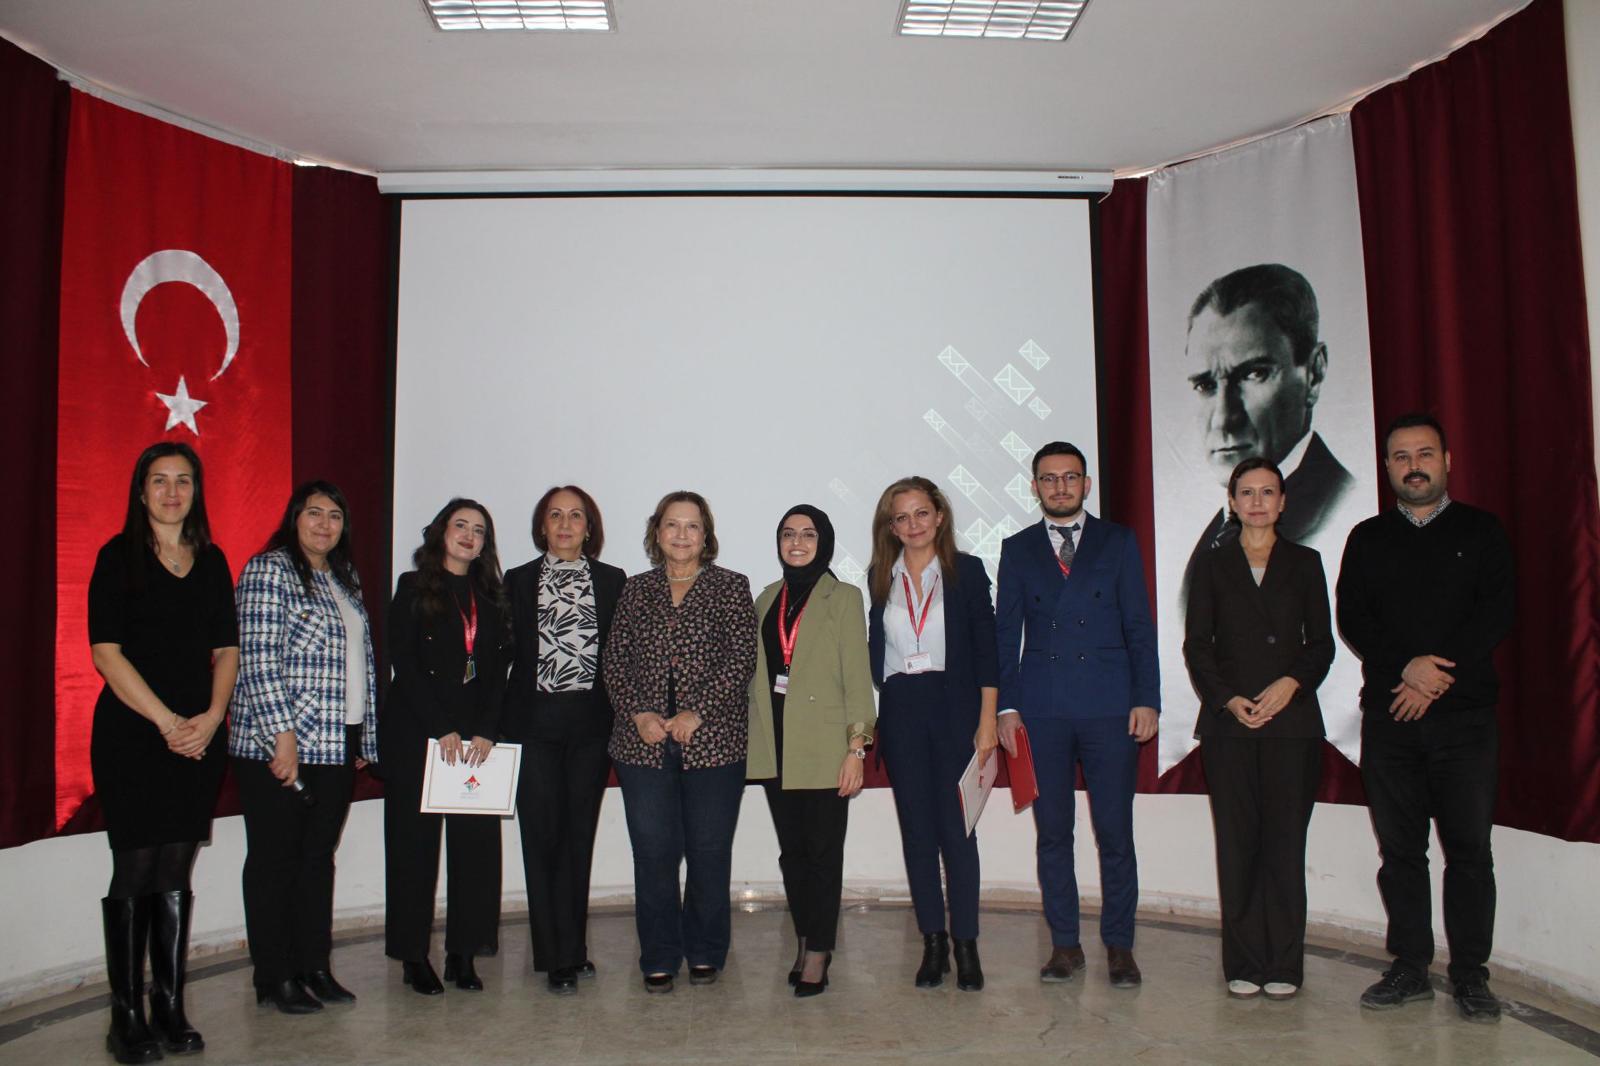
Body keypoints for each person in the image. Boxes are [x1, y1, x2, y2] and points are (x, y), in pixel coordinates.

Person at [1336, 413, 1513, 1023]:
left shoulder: (1483, 531)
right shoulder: (1367, 538)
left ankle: (1470, 975)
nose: (1414, 466)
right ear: (1387, 467)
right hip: (1391, 718)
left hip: (1466, 721)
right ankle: (1410, 966)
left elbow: (1495, 615)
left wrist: (1435, 677)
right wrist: (1407, 668)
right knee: (1401, 851)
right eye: (1401, 457)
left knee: (1470, 852)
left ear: (1447, 461)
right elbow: (1354, 619)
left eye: (1424, 454)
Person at [89, 442, 237, 1063]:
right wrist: (168, 722)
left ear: (196, 491)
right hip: (133, 735)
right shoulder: (116, 557)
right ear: (140, 490)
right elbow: (106, 652)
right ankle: (126, 1015)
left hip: (199, 735)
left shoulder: (212, 560)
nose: (172, 492)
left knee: (175, 868)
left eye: (183, 480)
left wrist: (211, 719)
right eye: (159, 480)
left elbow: (227, 651)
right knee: (135, 867)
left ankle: (169, 1006)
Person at [995, 442, 1159, 988]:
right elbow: (1006, 635)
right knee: (1052, 832)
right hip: (1042, 709)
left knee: (1115, 832)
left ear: (1087, 484)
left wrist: (1147, 698)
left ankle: (1120, 945)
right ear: (1034, 487)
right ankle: (1065, 943)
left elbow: (1139, 625)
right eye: (1049, 478)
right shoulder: (1017, 548)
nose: (1060, 487)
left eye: (1070, 477)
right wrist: (1007, 707)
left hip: (1110, 705)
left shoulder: (1118, 540)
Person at [1182, 457, 1334, 1000]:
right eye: (1246, 492)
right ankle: (1244, 961)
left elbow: (1322, 644)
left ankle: (1285, 964)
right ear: (1232, 501)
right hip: (1230, 725)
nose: (1257, 502)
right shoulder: (1212, 564)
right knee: (1238, 844)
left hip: (1292, 725)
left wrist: (1291, 684)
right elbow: (1197, 646)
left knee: (1285, 846)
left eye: (1268, 492)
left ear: (1283, 501)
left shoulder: (1306, 562)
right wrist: (1227, 699)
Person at [230, 481, 378, 1015]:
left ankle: (314, 965)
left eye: (334, 516)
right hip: (279, 746)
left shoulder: (343, 578)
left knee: (317, 860)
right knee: (275, 861)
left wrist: (364, 738)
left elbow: (360, 664)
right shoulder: (268, 571)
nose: (324, 524)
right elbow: (258, 660)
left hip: (336, 743)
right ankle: (274, 975)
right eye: (314, 513)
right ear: (294, 518)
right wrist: (282, 737)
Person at [602, 491, 756, 993]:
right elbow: (614, 660)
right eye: (672, 524)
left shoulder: (731, 586)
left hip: (714, 743)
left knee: (709, 851)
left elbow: (741, 660)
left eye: (692, 526)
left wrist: (697, 712)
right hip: (641, 744)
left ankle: (706, 950)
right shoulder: (635, 589)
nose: (682, 534)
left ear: (706, 535)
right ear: (657, 532)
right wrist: (639, 713)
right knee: (653, 854)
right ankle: (660, 954)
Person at [867, 476, 999, 992]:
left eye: (921, 513)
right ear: (891, 527)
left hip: (957, 709)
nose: (913, 524)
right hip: (903, 710)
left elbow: (987, 649)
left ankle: (966, 944)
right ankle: (933, 944)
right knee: (918, 834)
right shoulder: (881, 576)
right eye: (901, 517)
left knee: (958, 834)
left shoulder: (967, 570)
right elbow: (879, 652)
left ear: (939, 516)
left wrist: (987, 720)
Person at [381, 499, 509, 995]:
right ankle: (413, 956)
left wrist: (487, 729)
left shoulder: (491, 596)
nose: (469, 536)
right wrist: (440, 727)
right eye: (461, 526)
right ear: (441, 532)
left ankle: (463, 953)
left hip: (476, 740)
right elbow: (404, 662)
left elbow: (498, 671)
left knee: (475, 849)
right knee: (413, 849)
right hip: (418, 734)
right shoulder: (413, 587)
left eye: (479, 530)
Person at [502, 485, 627, 995]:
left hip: (590, 727)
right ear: (542, 526)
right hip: (534, 727)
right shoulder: (517, 580)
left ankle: (572, 949)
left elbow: (622, 655)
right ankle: (552, 955)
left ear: (589, 527)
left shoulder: (613, 580)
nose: (565, 524)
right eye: (555, 515)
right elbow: (501, 654)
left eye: (576, 516)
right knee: (542, 837)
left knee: (578, 838)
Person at [747, 505, 875, 998]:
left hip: (825, 748)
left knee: (823, 853)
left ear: (824, 542)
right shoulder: (765, 598)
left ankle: (819, 951)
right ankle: (804, 940)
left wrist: (856, 748)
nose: (797, 542)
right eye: (788, 534)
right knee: (793, 854)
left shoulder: (843, 597)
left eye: (808, 534)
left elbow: (857, 677)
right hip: (776, 747)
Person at [1180, 264, 1357, 604]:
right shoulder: (1209, 541)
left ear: (1314, 373)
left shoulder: (1338, 512)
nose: (1224, 419)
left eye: (1255, 374)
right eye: (1205, 385)